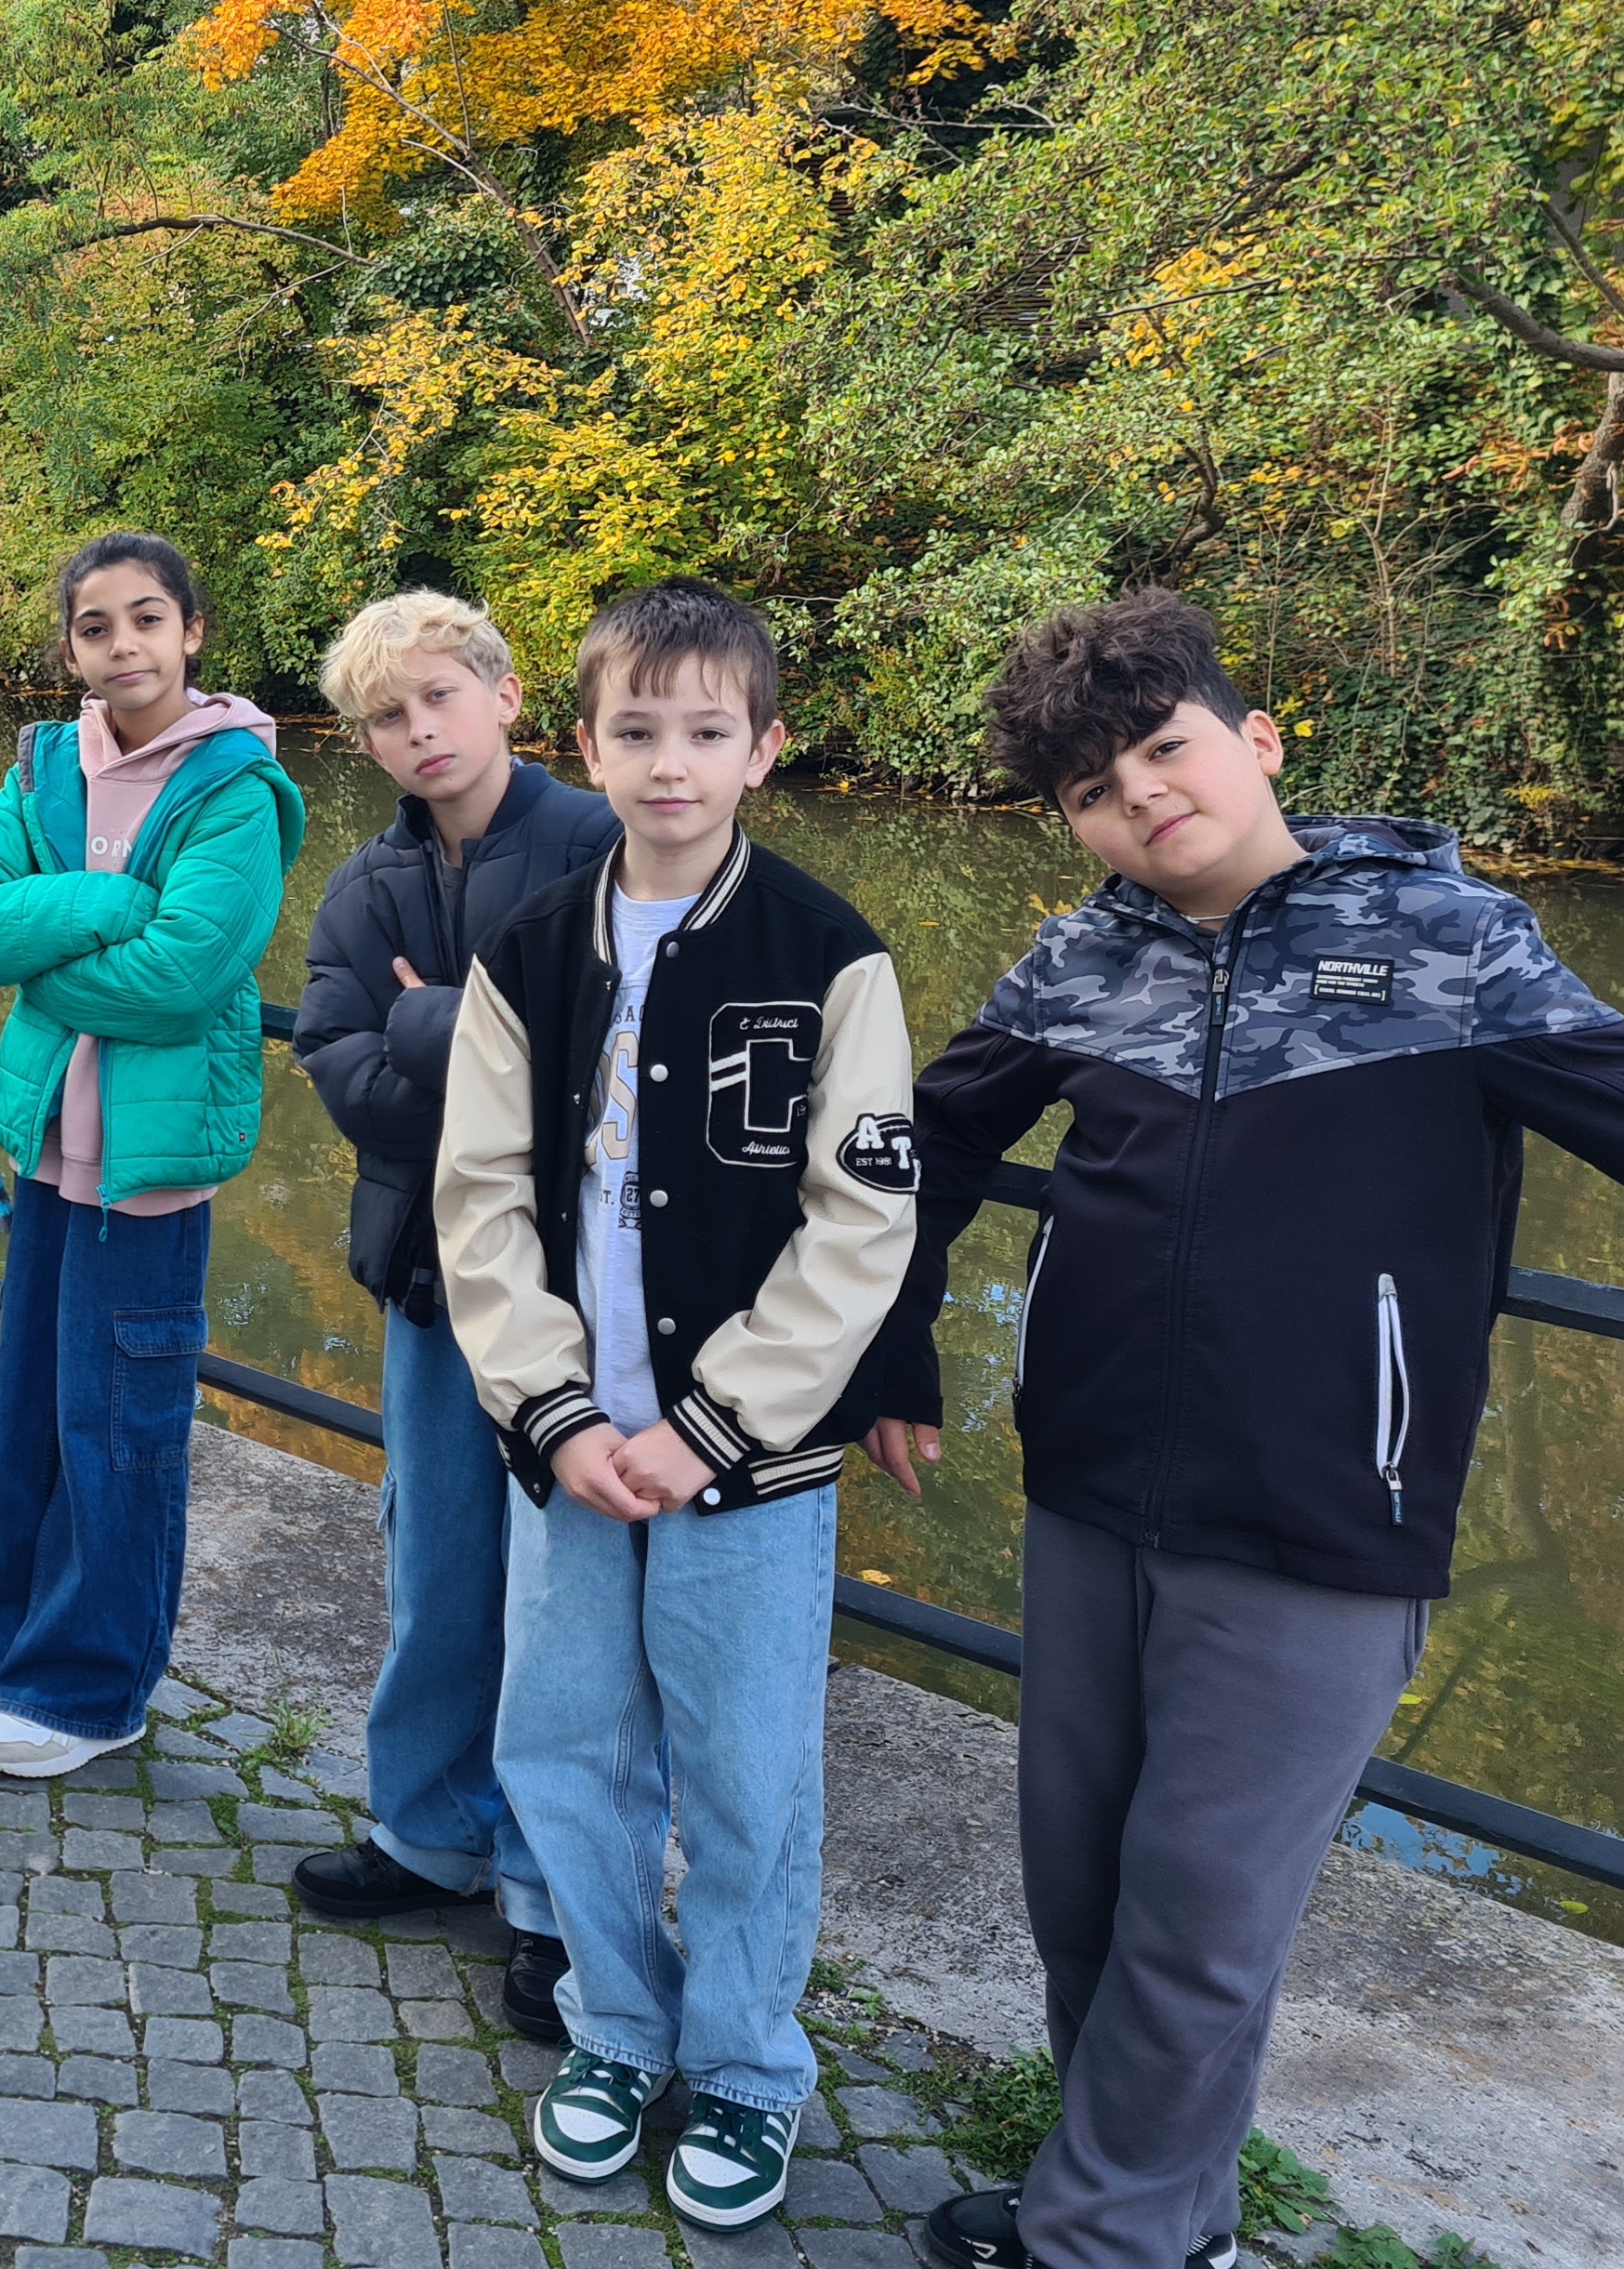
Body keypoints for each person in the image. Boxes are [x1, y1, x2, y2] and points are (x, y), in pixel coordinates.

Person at [880, 591, 1624, 2269]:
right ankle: (1162, 2211)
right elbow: (919, 1145)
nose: (1138, 795)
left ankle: (1100, 2240)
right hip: (1089, 1490)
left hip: (1322, 1520)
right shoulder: (1081, 953)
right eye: (1091, 784)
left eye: (1161, 747)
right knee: (1082, 1890)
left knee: (1201, 1923)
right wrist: (895, 1351)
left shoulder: (1448, 939)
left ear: (1255, 734)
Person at [433, 578, 922, 2235]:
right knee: (563, 1742)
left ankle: (742, 2062)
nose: (667, 762)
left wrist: (710, 1421)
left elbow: (861, 1219)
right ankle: (615, 2026)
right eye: (634, 729)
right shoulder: (527, 948)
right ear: (585, 738)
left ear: (762, 748)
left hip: (749, 1463)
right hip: (570, 1452)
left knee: (743, 1770)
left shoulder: (829, 951)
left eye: (704, 731)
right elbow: (480, 1194)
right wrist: (556, 1410)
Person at [284, 590, 615, 2039]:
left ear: (501, 690)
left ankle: (556, 1904)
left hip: (582, 1288)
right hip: (428, 1272)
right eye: (387, 715)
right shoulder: (368, 882)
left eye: (440, 697)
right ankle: (430, 1834)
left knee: (569, 1601)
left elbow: (605, 1061)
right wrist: (468, 1032)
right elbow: (334, 1058)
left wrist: (437, 1022)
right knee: (437, 1561)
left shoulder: (603, 844)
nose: (420, 732)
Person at [0, 532, 305, 1776]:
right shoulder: (45, 765)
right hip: (40, 1144)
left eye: (149, 618)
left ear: (192, 631)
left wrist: (51, 962)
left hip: (148, 1167)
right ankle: (2, 1657)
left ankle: (92, 1691)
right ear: (72, 646)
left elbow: (188, 973)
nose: (123, 645)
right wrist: (103, 906)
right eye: (96, 626)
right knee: (23, 1414)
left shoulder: (235, 788)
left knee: (120, 1425)